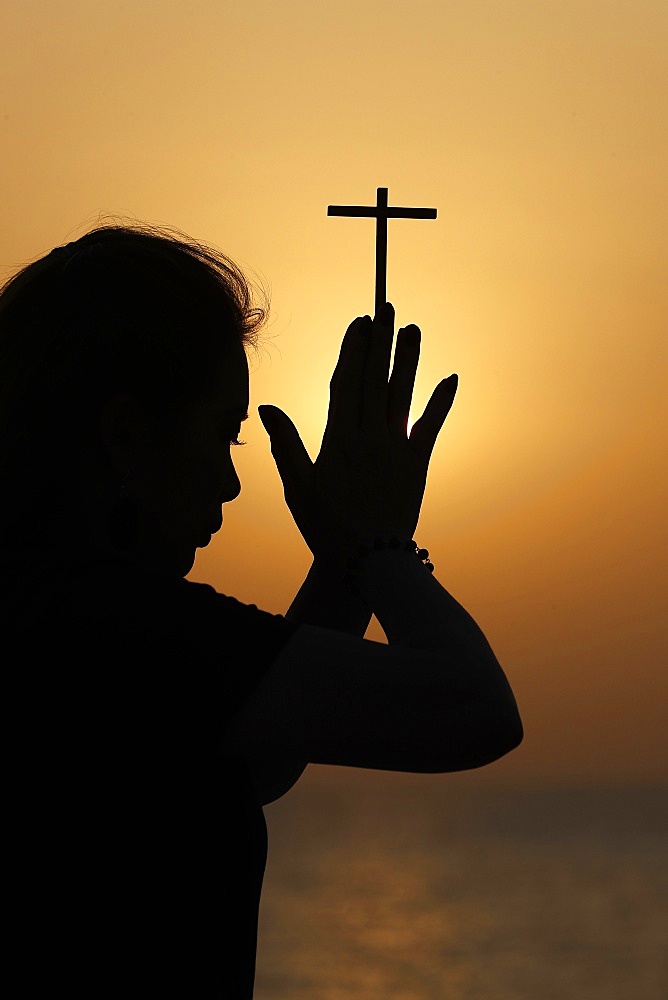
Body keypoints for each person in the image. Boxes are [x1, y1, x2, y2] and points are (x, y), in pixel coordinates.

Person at [0, 223, 522, 998]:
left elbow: (254, 762)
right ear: (126, 437)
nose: (230, 484)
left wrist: (344, 562)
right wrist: (376, 545)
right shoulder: (102, 627)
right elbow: (471, 708)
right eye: (222, 435)